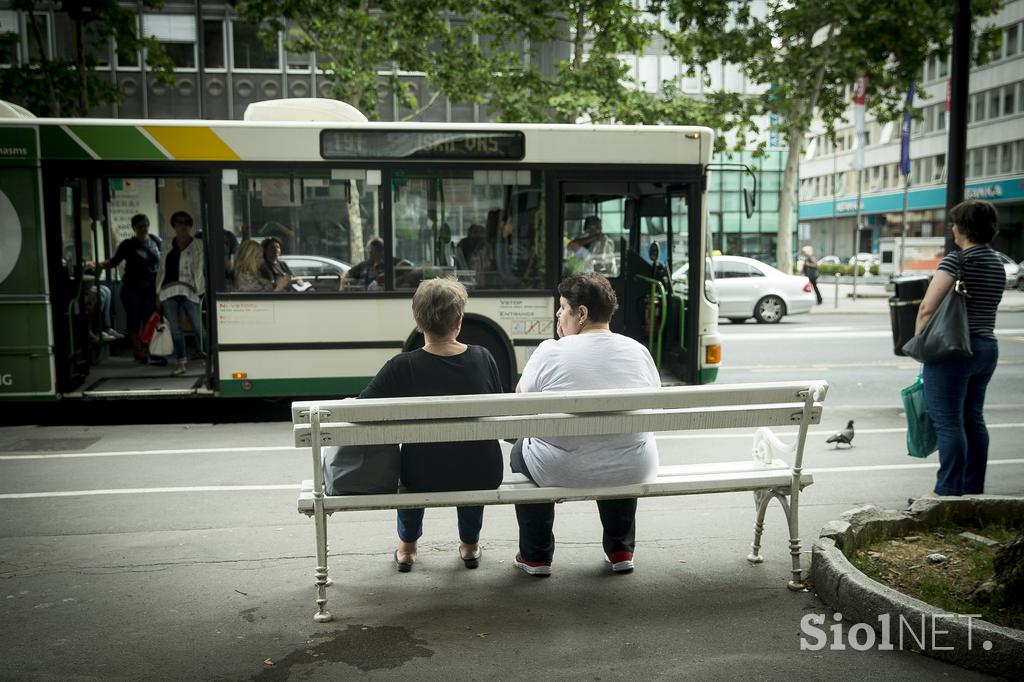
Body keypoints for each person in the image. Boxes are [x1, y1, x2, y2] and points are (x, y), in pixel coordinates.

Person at [511, 272, 660, 576]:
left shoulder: (550, 351)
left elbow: (520, 403)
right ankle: (620, 549)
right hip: (631, 469)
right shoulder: (637, 351)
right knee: (620, 443)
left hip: (559, 470)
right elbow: (654, 405)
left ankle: (536, 555)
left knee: (518, 451)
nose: (558, 313)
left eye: (563, 307)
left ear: (581, 314)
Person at [357, 277, 503, 571]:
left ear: (418, 321)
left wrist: (349, 402)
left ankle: (407, 547)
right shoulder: (483, 358)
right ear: (459, 320)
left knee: (416, 460)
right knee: (472, 454)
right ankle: (470, 545)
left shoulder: (402, 366)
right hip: (482, 474)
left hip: (423, 475)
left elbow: (361, 410)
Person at [915, 200, 1004, 498]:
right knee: (973, 418)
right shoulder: (996, 263)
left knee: (949, 422)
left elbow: (927, 307)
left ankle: (947, 492)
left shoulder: (957, 260)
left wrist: (921, 346)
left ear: (962, 227)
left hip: (952, 350)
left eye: (954, 223)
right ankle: (972, 490)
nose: (952, 228)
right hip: (986, 348)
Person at [101, 213, 161, 361]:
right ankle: (138, 350)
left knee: (150, 319)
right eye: (140, 226)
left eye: (146, 225)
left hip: (151, 286)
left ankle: (150, 348)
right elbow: (114, 262)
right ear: (133, 228)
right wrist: (98, 265)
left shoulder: (155, 241)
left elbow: (163, 261)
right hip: (132, 287)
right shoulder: (127, 245)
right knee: (133, 319)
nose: (143, 229)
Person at [155, 211, 206, 377]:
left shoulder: (198, 244)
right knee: (176, 329)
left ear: (190, 225)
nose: (182, 225)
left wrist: (200, 291)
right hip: (168, 290)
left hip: (190, 290)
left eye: (185, 222)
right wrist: (157, 293)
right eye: (178, 222)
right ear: (173, 225)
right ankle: (181, 362)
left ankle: (209, 358)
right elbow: (161, 269)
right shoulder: (166, 244)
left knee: (198, 328)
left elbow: (199, 269)